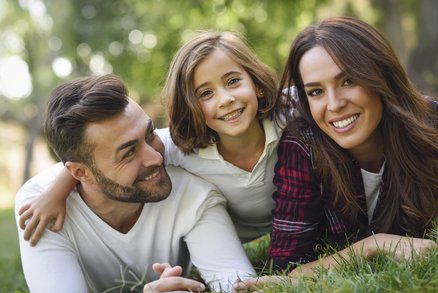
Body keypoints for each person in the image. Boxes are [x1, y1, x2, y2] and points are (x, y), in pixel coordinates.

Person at [18, 31, 283, 244]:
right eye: (205, 94)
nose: (226, 100)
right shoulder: (181, 149)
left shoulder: (290, 117)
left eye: (233, 81)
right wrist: (56, 192)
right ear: (190, 106)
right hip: (232, 236)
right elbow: (92, 160)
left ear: (257, 84)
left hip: (300, 226)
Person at [234, 16, 438, 290]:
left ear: (380, 73)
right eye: (316, 91)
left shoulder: (430, 124)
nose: (334, 104)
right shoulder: (303, 146)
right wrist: (372, 245)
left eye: (348, 80)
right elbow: (285, 269)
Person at [15, 74, 256, 293]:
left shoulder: (192, 192)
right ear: (81, 172)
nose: (156, 157)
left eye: (150, 134)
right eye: (128, 153)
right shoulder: (40, 207)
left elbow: (237, 284)